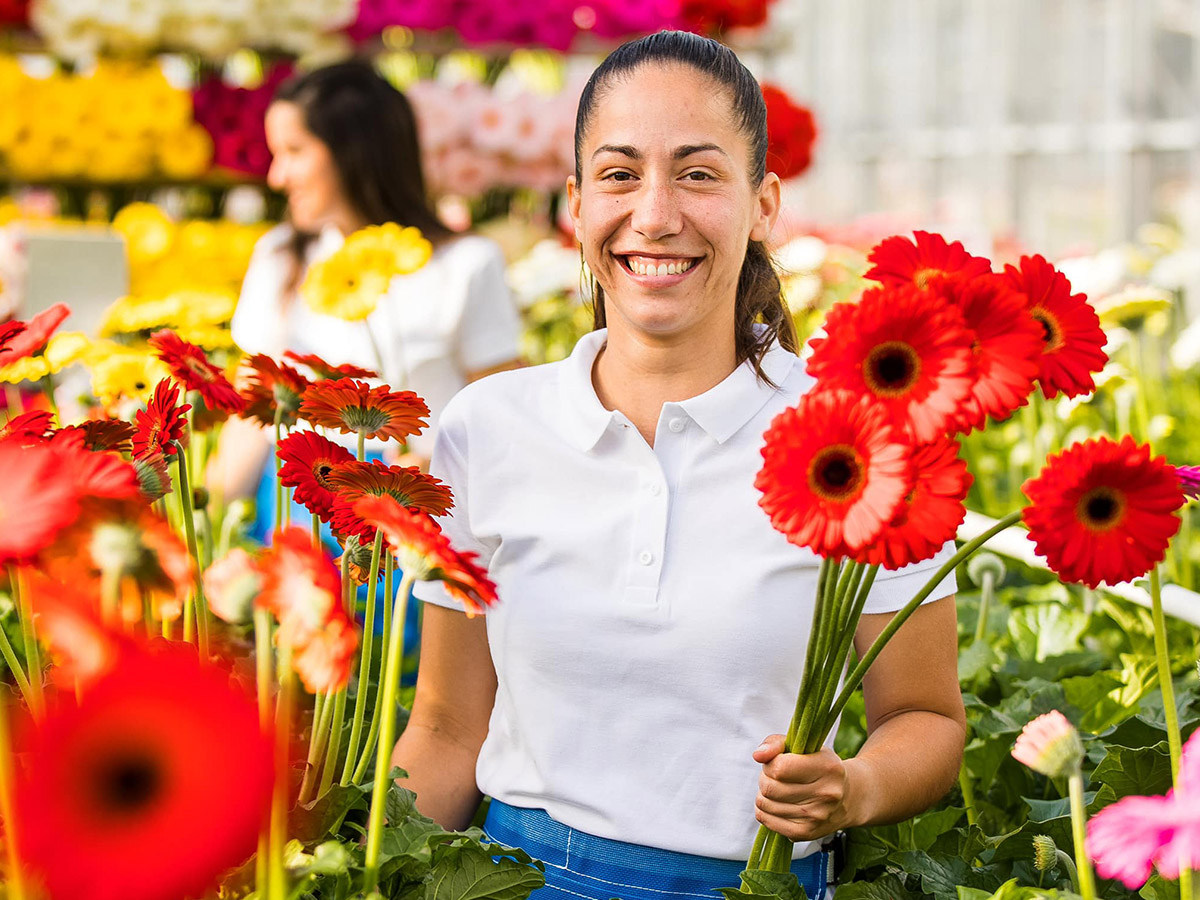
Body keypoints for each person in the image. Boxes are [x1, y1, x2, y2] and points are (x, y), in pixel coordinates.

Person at [395, 32, 966, 899]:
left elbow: (923, 718)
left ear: (764, 203)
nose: (655, 214)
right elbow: (442, 728)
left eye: (698, 174)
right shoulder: (487, 428)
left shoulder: (862, 439)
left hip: (754, 882)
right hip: (513, 877)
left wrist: (856, 788)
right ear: (576, 204)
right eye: (620, 175)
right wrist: (362, 869)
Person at [216, 59, 523, 516]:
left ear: (353, 152)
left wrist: (439, 471)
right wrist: (204, 520)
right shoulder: (279, 256)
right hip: (292, 503)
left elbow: (505, 419)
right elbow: (250, 410)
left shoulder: (465, 264)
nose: (277, 177)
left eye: (295, 151)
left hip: (416, 508)